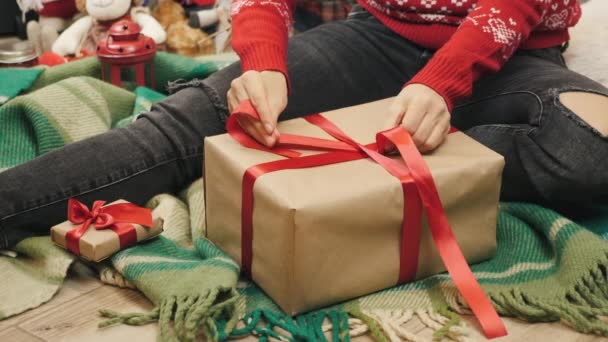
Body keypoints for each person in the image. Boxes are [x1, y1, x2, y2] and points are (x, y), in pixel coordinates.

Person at [1, 0, 607, 249]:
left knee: (588, 152)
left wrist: (441, 86)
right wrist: (263, 63)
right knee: (190, 121)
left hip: (515, 55)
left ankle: (397, 156)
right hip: (379, 38)